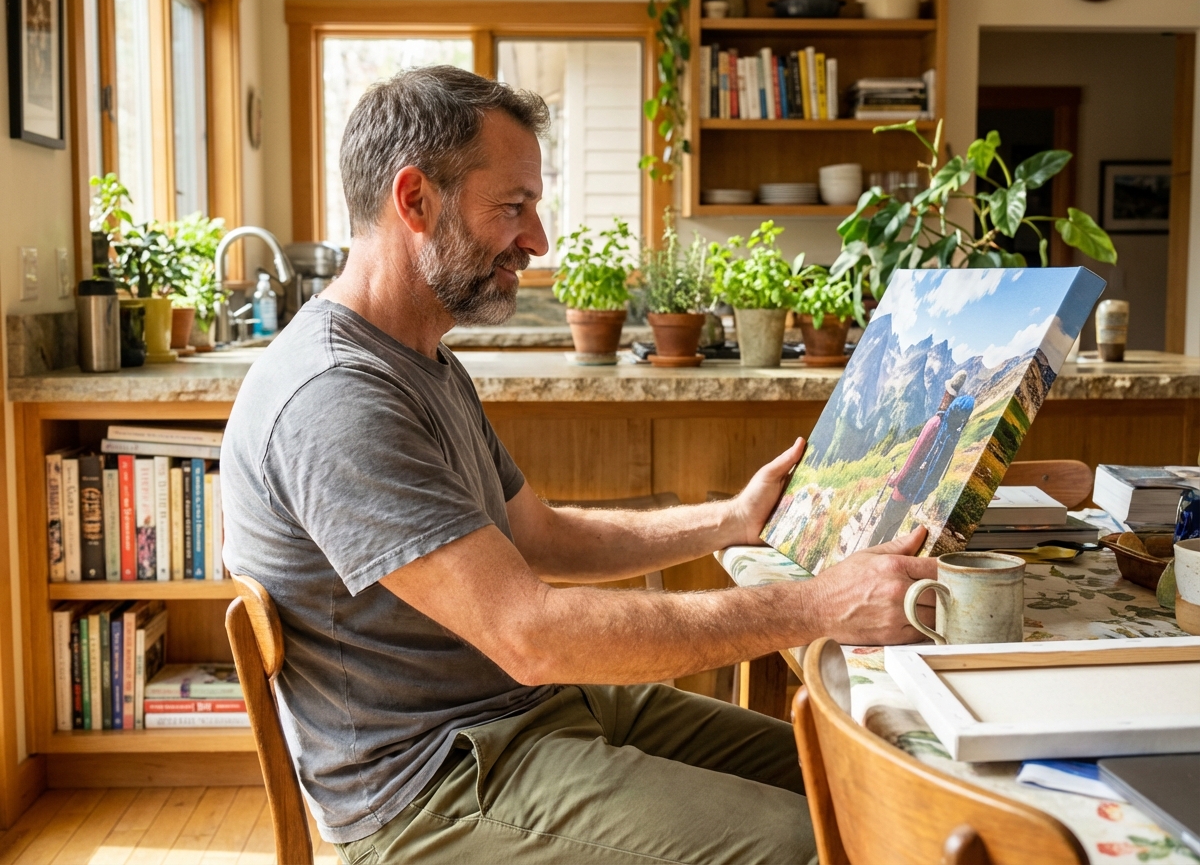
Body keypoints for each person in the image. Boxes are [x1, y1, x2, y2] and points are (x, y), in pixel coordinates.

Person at [222, 66, 938, 865]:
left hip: (528, 712)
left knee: (863, 781)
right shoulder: (336, 397)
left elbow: (540, 536)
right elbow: (529, 633)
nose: (538, 240)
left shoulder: (421, 359)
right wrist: (818, 606)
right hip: (435, 788)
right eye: (514, 206)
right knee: (811, 844)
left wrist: (731, 520)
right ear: (415, 200)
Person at [868, 370, 976, 547]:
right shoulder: (952, 433)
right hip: (918, 491)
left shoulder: (935, 424)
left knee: (882, 526)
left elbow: (914, 457)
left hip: (905, 486)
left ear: (946, 396)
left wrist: (896, 479)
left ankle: (867, 555)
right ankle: (882, 554)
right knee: (892, 529)